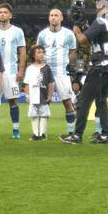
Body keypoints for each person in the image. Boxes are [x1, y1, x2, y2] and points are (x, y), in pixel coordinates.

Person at [63, 0, 108, 145]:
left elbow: (83, 39)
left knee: (83, 101)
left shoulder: (102, 21)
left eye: (96, 6)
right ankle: (105, 135)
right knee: (101, 101)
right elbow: (101, 39)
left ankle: (77, 135)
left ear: (102, 6)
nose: (95, 9)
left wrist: (77, 30)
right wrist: (86, 27)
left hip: (100, 67)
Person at [38, 7, 80, 137]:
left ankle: (71, 132)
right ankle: (42, 132)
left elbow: (73, 51)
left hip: (62, 73)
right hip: (45, 73)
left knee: (67, 102)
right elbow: (38, 52)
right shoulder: (42, 34)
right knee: (43, 102)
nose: (53, 17)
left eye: (56, 15)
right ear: (49, 18)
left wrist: (71, 67)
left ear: (61, 18)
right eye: (51, 15)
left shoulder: (68, 34)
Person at [0, 4, 26, 140]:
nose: (2, 14)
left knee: (12, 101)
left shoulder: (17, 31)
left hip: (11, 72)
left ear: (10, 15)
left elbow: (22, 52)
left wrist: (21, 70)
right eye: (0, 12)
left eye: (5, 12)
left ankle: (15, 129)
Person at [23, 44, 56, 141]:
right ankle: (35, 134)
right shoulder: (30, 68)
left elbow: (50, 83)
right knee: (33, 115)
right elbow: (26, 83)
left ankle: (42, 134)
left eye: (42, 52)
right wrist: (27, 95)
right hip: (33, 96)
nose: (41, 54)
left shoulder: (47, 68)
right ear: (33, 55)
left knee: (43, 115)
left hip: (43, 95)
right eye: (39, 52)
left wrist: (50, 96)